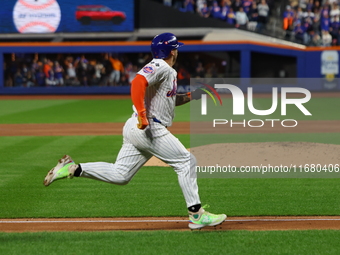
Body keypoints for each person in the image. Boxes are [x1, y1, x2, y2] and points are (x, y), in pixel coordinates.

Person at [43, 33, 227, 230]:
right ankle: (196, 215)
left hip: (135, 128)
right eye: (176, 48)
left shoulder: (165, 71)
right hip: (149, 128)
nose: (177, 51)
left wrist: (194, 95)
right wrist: (142, 114)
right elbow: (137, 83)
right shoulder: (160, 66)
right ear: (171, 51)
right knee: (186, 161)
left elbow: (169, 100)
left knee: (121, 174)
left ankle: (73, 168)